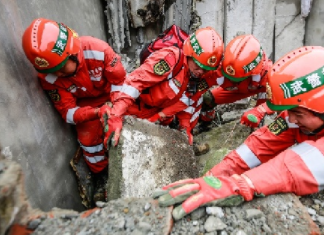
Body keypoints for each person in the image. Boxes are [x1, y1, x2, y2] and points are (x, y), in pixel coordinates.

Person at [153, 46, 324, 220]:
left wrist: (245, 184)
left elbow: (323, 157)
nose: (289, 119)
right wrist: (212, 178)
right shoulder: (309, 113)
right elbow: (257, 147)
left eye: (297, 113)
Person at [22, 18, 126, 203]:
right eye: (53, 71)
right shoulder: (49, 76)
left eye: (61, 68)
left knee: (137, 118)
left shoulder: (99, 50)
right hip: (88, 107)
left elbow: (120, 82)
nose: (58, 75)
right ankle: (101, 176)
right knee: (88, 139)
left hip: (113, 96)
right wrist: (95, 113)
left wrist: (115, 110)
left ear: (72, 54)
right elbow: (68, 113)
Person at [101, 26, 224, 147]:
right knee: (120, 142)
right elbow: (134, 83)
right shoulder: (170, 59)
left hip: (161, 113)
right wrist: (116, 115)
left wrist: (184, 128)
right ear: (189, 53)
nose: (201, 72)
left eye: (206, 69)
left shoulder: (193, 75)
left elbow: (187, 100)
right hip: (136, 108)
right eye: (198, 65)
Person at [198, 34, 274, 132]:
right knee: (207, 99)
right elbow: (200, 85)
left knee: (255, 120)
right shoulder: (220, 67)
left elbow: (275, 100)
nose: (232, 79)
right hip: (234, 89)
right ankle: (207, 122)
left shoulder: (268, 74)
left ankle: (258, 133)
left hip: (259, 88)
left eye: (235, 78)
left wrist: (259, 112)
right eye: (229, 76)